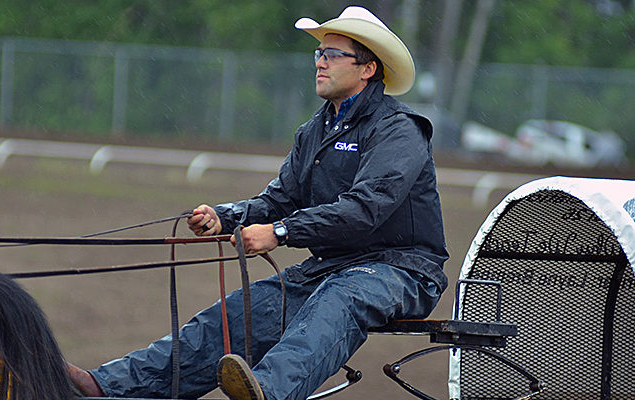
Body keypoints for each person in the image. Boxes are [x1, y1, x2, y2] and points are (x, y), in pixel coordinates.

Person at [68, 6, 448, 400]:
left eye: (332, 54)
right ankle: (108, 387)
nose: (320, 62)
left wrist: (281, 233)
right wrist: (224, 218)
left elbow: (364, 209)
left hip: (402, 270)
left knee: (341, 299)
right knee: (232, 317)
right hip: (330, 269)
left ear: (367, 68)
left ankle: (267, 391)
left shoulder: (399, 129)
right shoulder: (314, 131)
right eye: (319, 54)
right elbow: (280, 199)